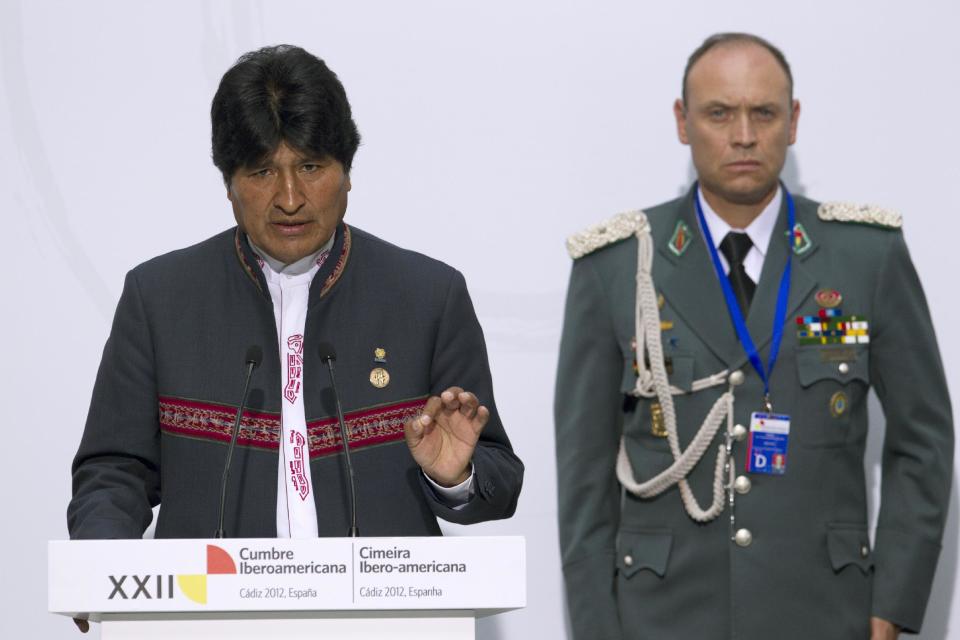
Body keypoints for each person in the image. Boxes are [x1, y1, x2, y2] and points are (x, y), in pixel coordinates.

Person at [555, 33, 952, 640]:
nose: (743, 135)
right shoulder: (616, 266)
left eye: (763, 112)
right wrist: (596, 626)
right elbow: (583, 473)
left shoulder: (864, 258)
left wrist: (890, 607)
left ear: (792, 122)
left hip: (824, 610)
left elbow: (924, 441)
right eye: (719, 113)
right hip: (661, 617)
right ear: (682, 123)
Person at [68, 45, 523, 544]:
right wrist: (101, 570)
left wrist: (454, 477)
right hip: (209, 615)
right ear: (228, 183)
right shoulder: (158, 298)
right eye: (262, 172)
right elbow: (113, 471)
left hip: (382, 616)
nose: (289, 198)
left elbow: (498, 479)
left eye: (310, 167)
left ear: (347, 172)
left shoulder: (429, 296)